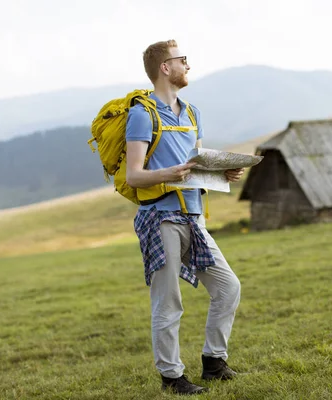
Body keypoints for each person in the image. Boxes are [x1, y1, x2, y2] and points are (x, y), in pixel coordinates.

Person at [125, 39, 244, 395]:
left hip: (194, 217)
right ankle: (172, 376)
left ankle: (214, 362)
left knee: (228, 287)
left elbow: (194, 167)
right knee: (168, 300)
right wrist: (168, 175)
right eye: (183, 61)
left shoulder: (192, 112)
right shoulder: (142, 114)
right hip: (160, 219)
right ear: (166, 67)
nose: (188, 66)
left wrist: (223, 174)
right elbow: (133, 175)